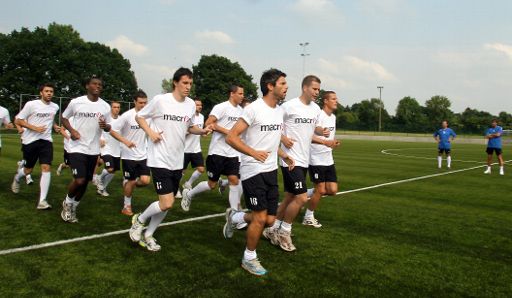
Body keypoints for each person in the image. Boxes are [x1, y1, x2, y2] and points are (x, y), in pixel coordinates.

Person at [129, 68, 212, 251]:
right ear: (175, 82)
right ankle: (139, 220)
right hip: (159, 159)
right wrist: (150, 132)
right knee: (166, 202)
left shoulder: (190, 104)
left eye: (190, 83)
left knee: (167, 205)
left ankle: (149, 235)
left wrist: (202, 130)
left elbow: (189, 128)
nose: (188, 87)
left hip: (177, 159)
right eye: (184, 83)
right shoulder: (161, 100)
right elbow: (140, 116)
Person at [223, 68, 294, 276]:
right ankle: (249, 258)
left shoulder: (279, 111)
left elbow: (271, 140)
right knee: (261, 218)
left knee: (270, 220)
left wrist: (283, 155)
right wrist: (253, 153)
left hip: (271, 170)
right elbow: (232, 137)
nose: (286, 86)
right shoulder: (253, 109)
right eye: (282, 83)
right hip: (253, 170)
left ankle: (235, 218)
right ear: (270, 86)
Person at [264, 75, 328, 252]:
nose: (317, 92)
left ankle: (271, 229)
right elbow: (273, 125)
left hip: (304, 159)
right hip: (290, 160)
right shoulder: (289, 106)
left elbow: (311, 129)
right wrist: (283, 138)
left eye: (318, 90)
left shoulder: (315, 109)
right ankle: (285, 232)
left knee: (290, 197)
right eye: (315, 89)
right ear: (305, 88)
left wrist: (320, 131)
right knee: (300, 197)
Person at [181, 84, 245, 213]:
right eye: (240, 94)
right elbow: (209, 123)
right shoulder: (221, 107)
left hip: (233, 153)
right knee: (212, 184)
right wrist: (228, 132)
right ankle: (189, 194)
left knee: (234, 180)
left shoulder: (241, 111)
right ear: (232, 94)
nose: (242, 96)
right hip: (217, 152)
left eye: (243, 94)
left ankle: (233, 213)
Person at [60, 76, 112, 223]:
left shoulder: (105, 107)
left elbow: (108, 127)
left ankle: (73, 206)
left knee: (86, 181)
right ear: (87, 86)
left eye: (100, 84)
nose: (97, 86)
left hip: (94, 150)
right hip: (77, 148)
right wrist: (72, 130)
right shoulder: (76, 102)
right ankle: (67, 202)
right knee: (79, 180)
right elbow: (64, 118)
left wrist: (105, 126)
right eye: (94, 84)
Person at [11, 83, 60, 209]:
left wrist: (54, 126)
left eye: (51, 91)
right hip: (30, 141)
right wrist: (35, 128)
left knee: (46, 167)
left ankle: (42, 201)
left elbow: (51, 118)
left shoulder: (55, 106)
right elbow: (18, 120)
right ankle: (17, 178)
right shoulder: (31, 105)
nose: (49, 93)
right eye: (47, 91)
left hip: (46, 141)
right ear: (41, 93)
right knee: (28, 170)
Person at [109, 90, 151, 216]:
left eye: (145, 102)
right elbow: (112, 131)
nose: (143, 105)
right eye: (140, 103)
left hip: (143, 154)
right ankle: (126, 206)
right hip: (128, 155)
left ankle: (128, 184)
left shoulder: (148, 116)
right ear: (134, 102)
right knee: (132, 181)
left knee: (145, 181)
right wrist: (125, 141)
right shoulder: (127, 116)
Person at [303, 91, 341, 228]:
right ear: (325, 101)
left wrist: (333, 143)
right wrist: (320, 132)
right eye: (333, 99)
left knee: (332, 190)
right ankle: (308, 217)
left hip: (328, 159)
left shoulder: (334, 117)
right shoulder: (318, 114)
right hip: (315, 159)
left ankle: (303, 193)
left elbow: (329, 139)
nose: (336, 101)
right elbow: (315, 130)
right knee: (321, 190)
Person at [96, 101, 122, 196]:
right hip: (106, 148)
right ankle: (99, 178)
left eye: (118, 107)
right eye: (115, 107)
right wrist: (100, 138)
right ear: (111, 108)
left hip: (117, 149)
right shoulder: (105, 118)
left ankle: (102, 188)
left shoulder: (121, 119)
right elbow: (97, 129)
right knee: (110, 168)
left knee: (113, 171)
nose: (117, 109)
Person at [180, 98, 206, 192]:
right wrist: (190, 131)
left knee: (201, 169)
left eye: (200, 105)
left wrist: (202, 133)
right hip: (185, 149)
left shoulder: (202, 117)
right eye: (197, 105)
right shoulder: (186, 117)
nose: (200, 106)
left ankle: (188, 184)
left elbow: (200, 130)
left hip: (196, 149)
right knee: (181, 171)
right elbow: (181, 131)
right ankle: (175, 189)